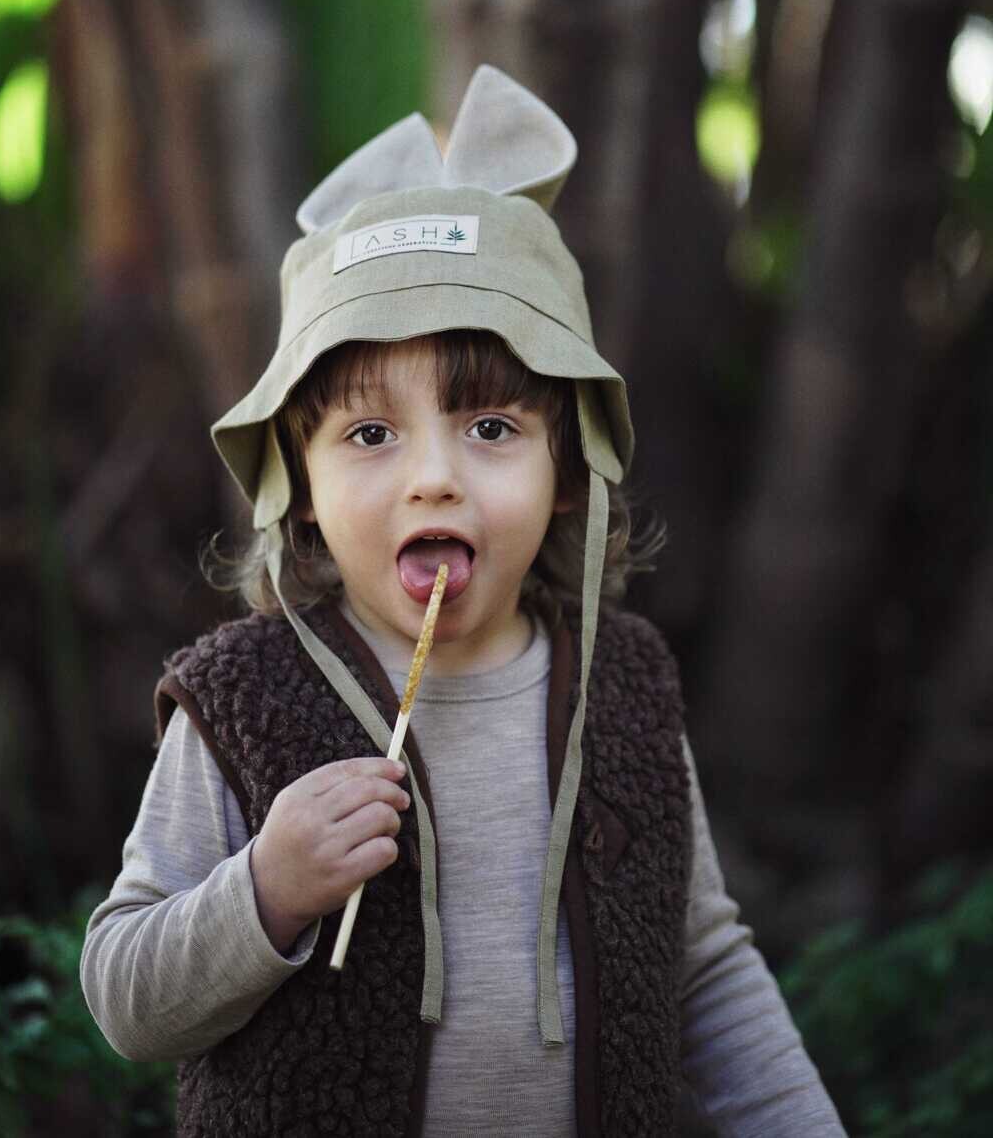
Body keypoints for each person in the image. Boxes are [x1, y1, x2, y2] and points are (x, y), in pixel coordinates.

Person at [82, 66, 846, 1136]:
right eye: (369, 434)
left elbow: (705, 968)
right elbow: (124, 997)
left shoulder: (619, 691)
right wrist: (267, 887)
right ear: (296, 482)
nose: (433, 477)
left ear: (569, 468)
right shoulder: (243, 701)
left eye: (490, 428)